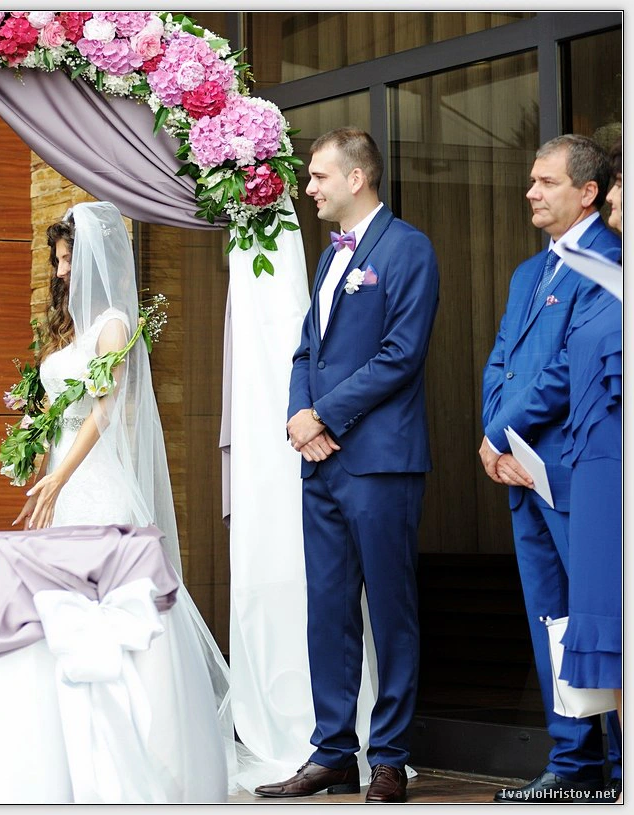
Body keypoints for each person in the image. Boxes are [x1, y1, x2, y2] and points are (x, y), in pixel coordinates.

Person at [14, 201, 236, 799]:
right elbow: (49, 412)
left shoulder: (113, 325)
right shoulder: (66, 329)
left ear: (92, 259)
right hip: (58, 476)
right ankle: (67, 735)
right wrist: (36, 465)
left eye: (67, 259)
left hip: (92, 480)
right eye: (58, 261)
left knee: (113, 607)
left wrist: (61, 478)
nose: (61, 271)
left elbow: (103, 413)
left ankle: (135, 735)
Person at [257, 128, 439, 804]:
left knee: (390, 611)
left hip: (381, 462)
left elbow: (401, 354)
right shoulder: (330, 256)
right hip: (322, 463)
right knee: (328, 610)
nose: (308, 188)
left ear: (356, 178)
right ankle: (332, 751)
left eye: (318, 176)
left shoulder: (408, 249)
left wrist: (324, 416)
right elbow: (309, 349)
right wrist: (298, 417)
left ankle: (389, 756)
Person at [479, 135, 621, 803]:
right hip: (522, 472)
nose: (531, 192)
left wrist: (500, 433)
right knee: (551, 622)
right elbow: (501, 360)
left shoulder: (610, 259)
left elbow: (569, 368)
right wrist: (491, 438)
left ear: (588, 192)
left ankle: (618, 765)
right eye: (531, 180)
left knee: (599, 622)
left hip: (577, 471)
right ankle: (572, 763)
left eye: (546, 182)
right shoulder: (527, 272)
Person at [558, 145, 622, 804]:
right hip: (596, 471)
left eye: (621, 186)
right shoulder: (603, 270)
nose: (612, 197)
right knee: (610, 634)